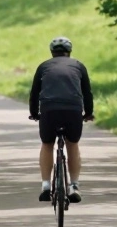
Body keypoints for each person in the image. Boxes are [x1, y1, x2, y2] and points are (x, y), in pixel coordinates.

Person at [29, 36, 94, 203]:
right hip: (72, 109)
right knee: (72, 143)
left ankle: (45, 186)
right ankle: (73, 185)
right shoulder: (79, 66)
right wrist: (88, 113)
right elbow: (87, 93)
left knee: (47, 144)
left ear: (52, 53)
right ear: (69, 52)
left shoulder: (43, 66)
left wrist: (34, 113)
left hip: (49, 109)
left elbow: (34, 93)